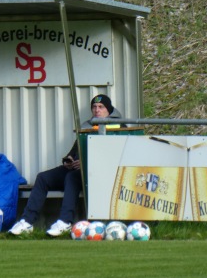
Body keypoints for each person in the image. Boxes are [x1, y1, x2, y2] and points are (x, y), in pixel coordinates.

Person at [8, 94, 124, 237]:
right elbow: (76, 148)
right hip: (76, 169)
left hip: (98, 174)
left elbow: (116, 156)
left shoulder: (120, 126)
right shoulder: (87, 125)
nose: (97, 110)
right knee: (43, 178)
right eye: (94, 107)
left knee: (72, 177)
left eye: (101, 107)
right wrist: (69, 159)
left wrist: (86, 163)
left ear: (109, 109)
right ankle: (26, 222)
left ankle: (65, 222)